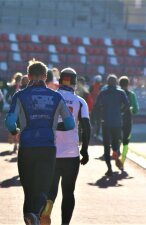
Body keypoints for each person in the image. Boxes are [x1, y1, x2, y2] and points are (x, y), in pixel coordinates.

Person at [5, 60, 75, 225]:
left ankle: (31, 218)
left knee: (28, 192)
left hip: (27, 148)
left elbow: (9, 123)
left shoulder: (20, 95)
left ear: (28, 76)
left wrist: (16, 131)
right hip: (47, 147)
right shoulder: (56, 96)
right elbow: (71, 124)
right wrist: (51, 127)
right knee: (43, 190)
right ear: (45, 76)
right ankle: (35, 215)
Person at [44, 68, 91, 225]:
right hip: (71, 154)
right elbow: (87, 126)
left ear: (60, 81)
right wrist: (84, 151)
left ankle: (47, 208)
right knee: (68, 192)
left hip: (52, 152)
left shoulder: (50, 98)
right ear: (75, 82)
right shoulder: (80, 102)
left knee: (50, 190)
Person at [92, 74, 129, 176]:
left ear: (107, 82)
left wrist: (96, 118)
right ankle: (117, 158)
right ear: (116, 82)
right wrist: (120, 112)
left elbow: (96, 106)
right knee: (115, 145)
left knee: (106, 146)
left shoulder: (103, 93)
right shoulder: (121, 92)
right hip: (117, 122)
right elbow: (127, 105)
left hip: (106, 122)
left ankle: (109, 168)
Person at [119, 76, 139, 165]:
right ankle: (122, 161)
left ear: (119, 84)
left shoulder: (117, 93)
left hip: (116, 120)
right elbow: (136, 110)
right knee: (126, 141)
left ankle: (115, 154)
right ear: (128, 84)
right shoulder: (132, 94)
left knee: (116, 139)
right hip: (127, 120)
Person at [6, 72, 23, 152]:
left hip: (13, 109)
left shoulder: (11, 87)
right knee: (20, 126)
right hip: (22, 110)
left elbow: (6, 97)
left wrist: (11, 103)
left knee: (14, 125)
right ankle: (18, 144)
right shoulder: (24, 87)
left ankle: (15, 143)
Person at [89, 75, 103, 139]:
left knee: (93, 119)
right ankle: (96, 133)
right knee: (98, 120)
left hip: (94, 106)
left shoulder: (92, 86)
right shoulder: (102, 87)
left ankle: (94, 132)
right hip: (99, 106)